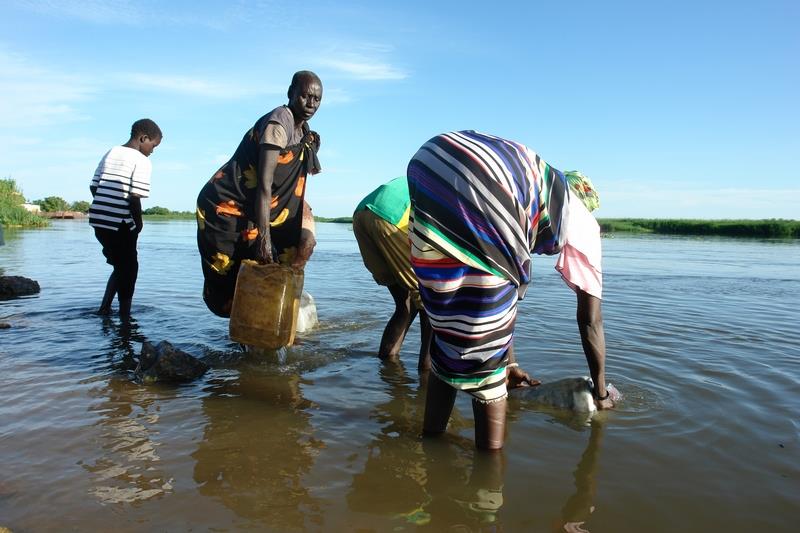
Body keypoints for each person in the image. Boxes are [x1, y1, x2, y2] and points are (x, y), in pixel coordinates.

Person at [407, 130, 614, 451]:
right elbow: (591, 321)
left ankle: (431, 447)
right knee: (486, 349)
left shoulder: (529, 188)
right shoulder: (583, 220)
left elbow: (504, 302)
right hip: (476, 177)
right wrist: (600, 394)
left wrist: (511, 362)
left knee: (451, 331)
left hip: (431, 164)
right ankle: (487, 484)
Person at [196, 71, 322, 317]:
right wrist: (264, 239)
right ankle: (249, 337)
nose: (311, 104)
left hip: (258, 207)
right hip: (229, 206)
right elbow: (265, 185)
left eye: (317, 99)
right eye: (305, 96)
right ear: (290, 94)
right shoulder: (279, 122)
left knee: (276, 265)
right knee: (240, 274)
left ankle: (260, 336)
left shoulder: (302, 130)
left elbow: (290, 186)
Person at [352, 177, 433, 371]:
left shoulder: (424, 173)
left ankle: (388, 366)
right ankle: (427, 373)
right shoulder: (449, 188)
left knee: (404, 305)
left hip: (362, 212)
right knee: (431, 303)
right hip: (392, 216)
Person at [89, 118, 162, 320]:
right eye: (153, 145)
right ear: (143, 138)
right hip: (120, 222)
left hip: (98, 220)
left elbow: (94, 186)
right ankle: (125, 317)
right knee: (130, 268)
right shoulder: (141, 160)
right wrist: (138, 224)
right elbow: (134, 196)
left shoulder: (111, 152)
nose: (152, 151)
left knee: (120, 266)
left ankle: (104, 308)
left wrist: (104, 204)